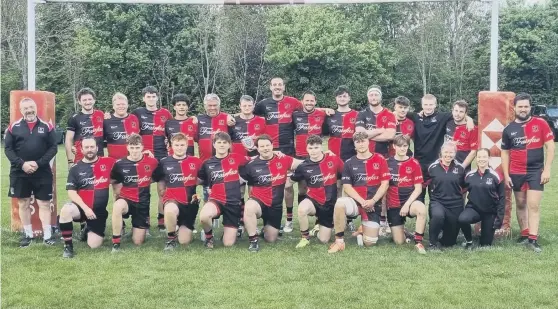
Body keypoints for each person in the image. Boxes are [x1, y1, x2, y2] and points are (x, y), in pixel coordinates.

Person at [501, 93, 555, 253]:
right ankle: (524, 233)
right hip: (516, 171)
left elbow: (550, 147)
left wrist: (547, 169)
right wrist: (506, 174)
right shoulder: (509, 129)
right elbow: (505, 153)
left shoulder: (541, 123)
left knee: (533, 205)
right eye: (520, 106)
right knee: (521, 203)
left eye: (526, 106)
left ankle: (533, 239)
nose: (523, 109)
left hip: (535, 172)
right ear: (515, 108)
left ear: (530, 107)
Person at [5, 97, 58, 247]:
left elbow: (53, 147)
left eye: (31, 107)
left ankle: (47, 236)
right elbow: (8, 149)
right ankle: (28, 235)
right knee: (24, 203)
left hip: (42, 172)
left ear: (36, 108)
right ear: (21, 110)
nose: (29, 110)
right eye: (25, 108)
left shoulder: (47, 126)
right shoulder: (13, 127)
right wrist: (22, 164)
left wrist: (38, 163)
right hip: (19, 172)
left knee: (44, 203)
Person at [328, 132, 390, 253]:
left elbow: (385, 184)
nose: (361, 144)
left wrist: (372, 201)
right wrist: (362, 202)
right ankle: (339, 241)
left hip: (373, 204)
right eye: (358, 142)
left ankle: (362, 229)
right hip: (356, 203)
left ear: (368, 142)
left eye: (363, 141)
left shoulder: (380, 159)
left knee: (369, 243)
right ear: (354, 145)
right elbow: (347, 187)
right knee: (340, 203)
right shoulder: (349, 163)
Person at [405, 94, 474, 203]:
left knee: (436, 196)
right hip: (419, 163)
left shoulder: (442, 117)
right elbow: (400, 112)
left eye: (431, 104)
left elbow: (459, 114)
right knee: (419, 196)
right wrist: (394, 113)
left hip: (437, 163)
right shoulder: (415, 117)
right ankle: (421, 217)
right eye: (426, 104)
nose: (428, 107)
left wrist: (469, 119)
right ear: (422, 105)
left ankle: (436, 219)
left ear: (435, 105)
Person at [241, 135, 303, 252]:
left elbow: (304, 164)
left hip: (275, 206)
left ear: (272, 146)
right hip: (258, 202)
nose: (265, 148)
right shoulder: (251, 164)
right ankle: (253, 240)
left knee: (271, 239)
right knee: (249, 207)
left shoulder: (283, 159)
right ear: (257, 149)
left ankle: (265, 229)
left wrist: (324, 155)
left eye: (267, 145)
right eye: (262, 146)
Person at [59, 138, 116, 258]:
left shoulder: (108, 162)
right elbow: (71, 192)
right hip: (81, 208)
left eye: (92, 147)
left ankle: (87, 229)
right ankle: (68, 247)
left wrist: (146, 154)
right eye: (86, 147)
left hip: (98, 212)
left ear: (97, 148)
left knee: (94, 245)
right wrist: (85, 208)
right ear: (81, 149)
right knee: (65, 210)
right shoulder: (75, 168)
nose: (89, 150)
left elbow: (127, 163)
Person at [197, 132, 250, 249]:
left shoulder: (237, 158)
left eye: (224, 143)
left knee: (228, 244)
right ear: (214, 145)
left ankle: (230, 231)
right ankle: (209, 238)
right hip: (216, 200)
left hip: (233, 202)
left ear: (229, 145)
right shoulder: (207, 163)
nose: (222, 145)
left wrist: (275, 153)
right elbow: (198, 180)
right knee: (204, 216)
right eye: (219, 142)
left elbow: (254, 160)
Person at [291, 135, 344, 249]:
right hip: (313, 200)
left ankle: (319, 226)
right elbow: (289, 181)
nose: (313, 151)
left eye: (316, 147)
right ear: (306, 149)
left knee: (324, 240)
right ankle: (305, 238)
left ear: (321, 147)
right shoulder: (303, 166)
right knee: (301, 209)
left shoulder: (333, 159)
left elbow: (345, 175)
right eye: (310, 148)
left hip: (329, 205)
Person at [131, 86, 172, 231]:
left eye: (153, 96)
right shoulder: (137, 113)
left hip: (162, 157)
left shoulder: (165, 113)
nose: (151, 99)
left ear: (157, 97)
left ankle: (161, 222)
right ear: (144, 98)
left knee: (162, 190)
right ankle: (144, 221)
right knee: (143, 190)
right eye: (148, 96)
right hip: (144, 157)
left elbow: (171, 132)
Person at [153, 133, 203, 251]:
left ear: (187, 146)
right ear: (171, 146)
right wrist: (162, 191)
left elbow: (204, 179)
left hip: (190, 204)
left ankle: (182, 228)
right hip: (172, 200)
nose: (179, 147)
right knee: (170, 209)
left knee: (184, 241)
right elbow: (159, 178)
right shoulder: (164, 162)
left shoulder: (196, 161)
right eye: (176, 145)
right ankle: (170, 239)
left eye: (182, 145)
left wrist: (196, 192)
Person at [110, 133, 159, 252]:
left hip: (142, 204)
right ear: (127, 147)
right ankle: (116, 242)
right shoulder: (119, 164)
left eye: (137, 147)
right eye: (132, 148)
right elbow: (113, 180)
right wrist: (117, 194)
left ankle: (135, 229)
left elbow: (157, 177)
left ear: (142, 147)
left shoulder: (152, 162)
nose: (135, 151)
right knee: (117, 206)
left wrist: (145, 181)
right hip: (126, 200)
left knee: (138, 242)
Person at [230, 95, 266, 237]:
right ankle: (240, 222)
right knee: (238, 193)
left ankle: (254, 223)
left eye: (249, 105)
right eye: (244, 105)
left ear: (253, 105)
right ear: (240, 106)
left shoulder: (261, 121)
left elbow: (265, 140)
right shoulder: (232, 121)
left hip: (256, 163)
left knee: (254, 193)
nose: (247, 108)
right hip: (238, 163)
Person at [386, 135, 427, 254]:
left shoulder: (414, 163)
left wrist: (407, 205)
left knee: (421, 209)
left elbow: (418, 189)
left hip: (410, 202)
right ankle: (405, 233)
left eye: (405, 146)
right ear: (394, 146)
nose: (402, 148)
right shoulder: (387, 163)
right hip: (393, 204)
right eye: (399, 146)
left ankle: (418, 242)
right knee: (399, 242)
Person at [458, 148, 505, 249]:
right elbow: (460, 190)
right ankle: (469, 241)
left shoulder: (497, 176)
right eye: (479, 157)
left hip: (490, 212)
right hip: (474, 209)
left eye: (484, 157)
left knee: (485, 245)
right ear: (476, 159)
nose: (481, 159)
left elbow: (502, 198)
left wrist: (499, 218)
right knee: (462, 219)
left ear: (489, 158)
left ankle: (485, 235)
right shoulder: (469, 175)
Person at [427, 141, 467, 250]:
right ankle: (432, 243)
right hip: (438, 201)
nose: (448, 155)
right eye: (446, 152)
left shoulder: (460, 168)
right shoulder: (432, 167)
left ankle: (445, 239)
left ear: (455, 154)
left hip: (455, 204)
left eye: (451, 152)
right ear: (441, 153)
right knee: (438, 216)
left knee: (449, 243)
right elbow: (426, 184)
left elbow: (464, 187)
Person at [65, 88, 104, 165]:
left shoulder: (101, 115)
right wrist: (70, 161)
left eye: (90, 99)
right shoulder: (74, 118)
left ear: (94, 100)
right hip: (81, 161)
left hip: (99, 160)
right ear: (79, 102)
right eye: (84, 100)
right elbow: (68, 140)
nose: (88, 102)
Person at [103, 92, 140, 159]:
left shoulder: (134, 118)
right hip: (114, 161)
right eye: (118, 104)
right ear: (113, 106)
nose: (121, 106)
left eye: (123, 104)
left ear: (127, 105)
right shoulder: (106, 120)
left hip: (133, 160)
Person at [445, 100, 478, 170]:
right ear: (452, 111)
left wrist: (462, 167)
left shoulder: (471, 128)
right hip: (447, 166)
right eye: (456, 111)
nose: (457, 114)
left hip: (462, 167)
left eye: (461, 112)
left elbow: (473, 152)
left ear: (466, 114)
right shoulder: (447, 123)